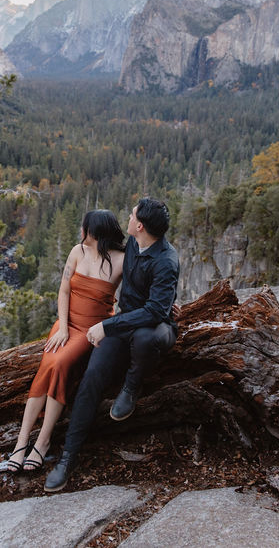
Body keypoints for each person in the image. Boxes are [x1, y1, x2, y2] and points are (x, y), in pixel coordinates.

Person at [45, 197, 179, 492]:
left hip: (155, 328)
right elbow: (102, 262)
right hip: (125, 323)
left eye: (132, 215)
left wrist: (106, 325)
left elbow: (156, 312)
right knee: (92, 378)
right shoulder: (131, 244)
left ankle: (131, 388)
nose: (127, 218)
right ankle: (67, 458)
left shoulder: (166, 260)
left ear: (140, 225)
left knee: (146, 337)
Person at [6, 210, 126, 473]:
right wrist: (61, 326)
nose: (81, 233)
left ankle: (43, 441)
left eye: (85, 228)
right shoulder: (77, 251)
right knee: (49, 364)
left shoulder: (122, 261)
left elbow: (139, 291)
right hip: (65, 324)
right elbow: (64, 289)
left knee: (59, 363)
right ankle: (21, 441)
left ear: (95, 232)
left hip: (90, 330)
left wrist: (165, 304)